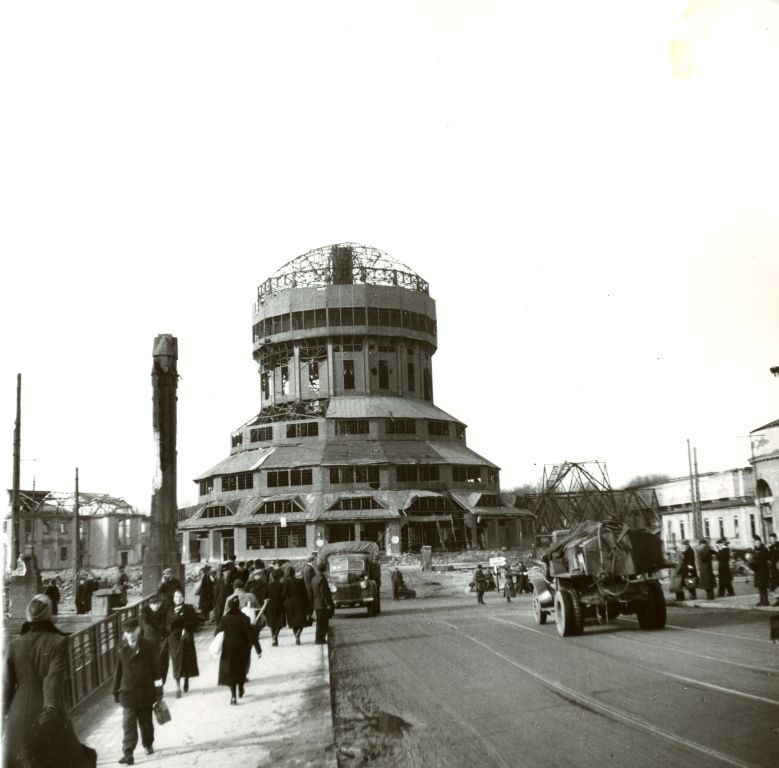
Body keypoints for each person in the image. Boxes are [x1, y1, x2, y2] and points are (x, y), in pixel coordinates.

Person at [2, 594, 96, 768]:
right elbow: (52, 677)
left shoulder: (13, 646)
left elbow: (6, 687)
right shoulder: (59, 642)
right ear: (49, 614)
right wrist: (51, 706)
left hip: (18, 717)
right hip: (47, 715)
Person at [113, 617, 164, 765]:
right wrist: (115, 691)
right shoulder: (121, 648)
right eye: (127, 632)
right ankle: (128, 752)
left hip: (145, 693)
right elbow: (118, 672)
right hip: (127, 693)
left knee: (146, 723)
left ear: (139, 630)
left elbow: (156, 671)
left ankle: (148, 744)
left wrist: (159, 691)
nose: (131, 634)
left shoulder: (148, 647)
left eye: (133, 631)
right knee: (128, 724)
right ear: (124, 633)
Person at [217, 595, 262, 705]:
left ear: (228, 607)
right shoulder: (244, 618)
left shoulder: (224, 619)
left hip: (228, 650)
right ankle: (241, 687)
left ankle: (233, 696)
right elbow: (251, 635)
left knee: (231, 672)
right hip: (243, 650)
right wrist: (258, 649)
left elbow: (217, 633)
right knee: (241, 670)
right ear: (238, 606)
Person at [166, 588, 199, 697]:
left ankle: (186, 680)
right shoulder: (170, 610)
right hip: (174, 638)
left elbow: (195, 621)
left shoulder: (189, 608)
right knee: (176, 662)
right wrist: (170, 628)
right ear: (173, 598)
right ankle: (177, 688)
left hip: (185, 636)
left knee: (186, 660)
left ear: (183, 598)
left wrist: (186, 626)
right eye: (176, 597)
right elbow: (167, 624)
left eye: (180, 597)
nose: (178, 599)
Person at [140, 593, 170, 685]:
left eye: (158, 603)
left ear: (161, 603)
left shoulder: (165, 615)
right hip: (148, 645)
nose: (156, 605)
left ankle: (159, 687)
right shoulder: (144, 617)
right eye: (153, 604)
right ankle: (152, 688)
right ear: (149, 605)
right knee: (149, 667)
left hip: (162, 644)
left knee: (162, 666)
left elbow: (168, 629)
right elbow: (141, 632)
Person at [283, 564, 310, 645]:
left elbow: (284, 594)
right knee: (301, 620)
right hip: (300, 602)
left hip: (290, 603)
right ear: (294, 573)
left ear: (287, 574)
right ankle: (298, 633)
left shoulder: (286, 582)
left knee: (293, 621)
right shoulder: (300, 581)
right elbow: (305, 594)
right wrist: (307, 605)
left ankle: (296, 635)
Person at [311, 560, 335, 645]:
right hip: (322, 604)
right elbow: (324, 593)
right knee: (323, 623)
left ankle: (319, 638)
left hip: (316, 603)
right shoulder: (322, 579)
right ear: (324, 569)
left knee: (319, 623)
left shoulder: (314, 579)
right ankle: (320, 639)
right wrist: (328, 604)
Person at [266, 567, 287, 646]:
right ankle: (276, 635)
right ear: (278, 577)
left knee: (272, 623)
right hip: (279, 605)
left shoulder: (267, 585)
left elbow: (265, 596)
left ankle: (274, 638)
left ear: (271, 576)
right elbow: (284, 595)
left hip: (270, 605)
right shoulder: (282, 585)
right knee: (280, 622)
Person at [749, 536, 771, 606]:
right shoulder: (754, 550)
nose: (757, 543)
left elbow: (762, 560)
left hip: (763, 570)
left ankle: (766, 601)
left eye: (758, 542)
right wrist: (751, 563)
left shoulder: (763, 550)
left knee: (763, 586)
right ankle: (761, 600)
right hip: (757, 570)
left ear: (760, 542)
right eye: (756, 542)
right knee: (759, 586)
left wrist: (754, 563)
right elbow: (753, 558)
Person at [768, 532, 779, 604]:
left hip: (778, 567)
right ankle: (778, 599)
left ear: (776, 539)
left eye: (773, 539)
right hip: (773, 568)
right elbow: (769, 557)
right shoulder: (771, 547)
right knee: (774, 584)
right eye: (770, 539)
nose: (772, 540)